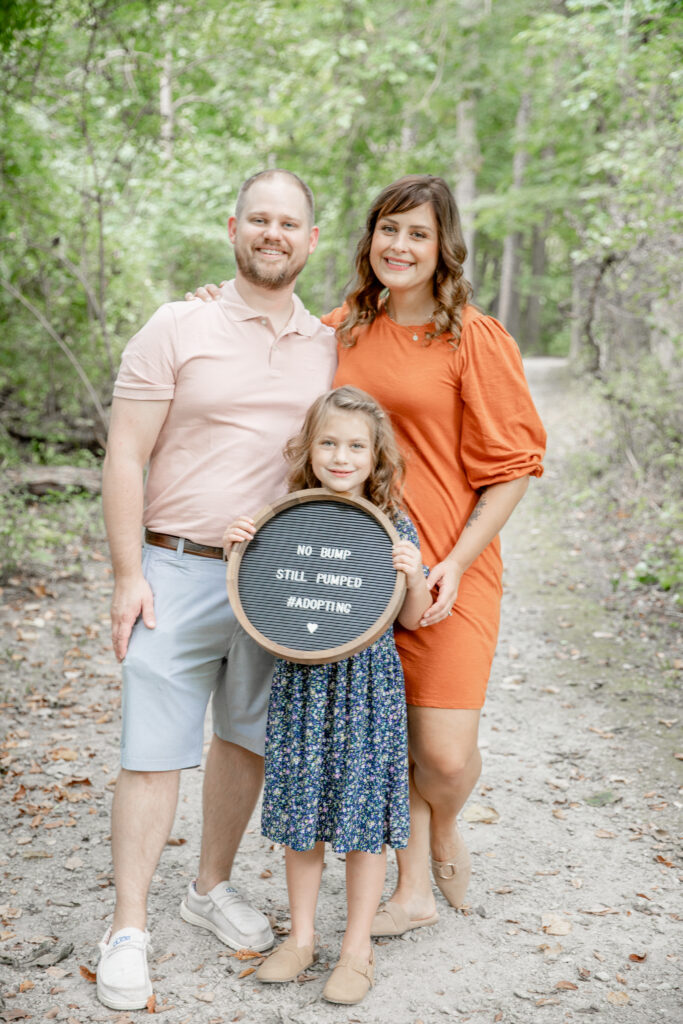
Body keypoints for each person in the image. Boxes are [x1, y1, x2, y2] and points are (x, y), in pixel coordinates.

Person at [189, 173, 546, 940]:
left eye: (418, 233)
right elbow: (270, 346)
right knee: (394, 732)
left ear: (441, 247)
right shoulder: (343, 327)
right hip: (351, 571)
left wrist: (453, 562)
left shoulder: (473, 338)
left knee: (444, 757)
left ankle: (445, 826)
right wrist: (210, 308)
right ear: (368, 239)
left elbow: (514, 467)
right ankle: (411, 890)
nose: (400, 245)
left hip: (444, 565)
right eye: (389, 229)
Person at [97, 170, 337, 1011]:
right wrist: (129, 574)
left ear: (312, 242)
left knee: (246, 739)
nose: (274, 234)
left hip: (275, 578)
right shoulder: (177, 323)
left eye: (291, 223)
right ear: (234, 229)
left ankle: (208, 889)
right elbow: (125, 453)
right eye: (260, 220)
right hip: (174, 564)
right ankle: (128, 928)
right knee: (153, 748)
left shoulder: (330, 342)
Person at [224, 386, 432, 1005]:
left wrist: (413, 574)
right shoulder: (285, 518)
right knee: (302, 820)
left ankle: (357, 948)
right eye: (329, 443)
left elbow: (415, 619)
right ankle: (303, 938)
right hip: (303, 686)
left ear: (376, 456)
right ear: (309, 449)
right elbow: (260, 601)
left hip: (367, 690)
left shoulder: (392, 525)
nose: (342, 457)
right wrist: (241, 548)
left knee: (363, 819)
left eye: (356, 446)